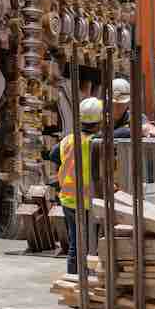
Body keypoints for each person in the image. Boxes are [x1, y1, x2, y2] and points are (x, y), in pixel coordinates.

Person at [43, 97, 103, 275]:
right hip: (90, 203)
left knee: (75, 246)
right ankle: (88, 283)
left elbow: (53, 155)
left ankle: (73, 281)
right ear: (99, 121)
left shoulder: (69, 140)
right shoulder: (98, 142)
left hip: (69, 201)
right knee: (93, 247)